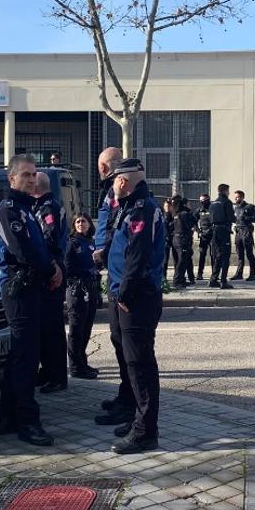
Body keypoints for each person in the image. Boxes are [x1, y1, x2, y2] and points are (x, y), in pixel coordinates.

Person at [0, 154, 60, 447]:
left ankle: (8, 416)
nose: (31, 179)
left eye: (34, 175)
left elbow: (40, 247)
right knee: (26, 358)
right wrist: (51, 269)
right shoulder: (8, 210)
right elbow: (22, 250)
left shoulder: (26, 208)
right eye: (26, 175)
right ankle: (28, 423)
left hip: (34, 286)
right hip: (19, 288)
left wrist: (53, 267)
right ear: (12, 178)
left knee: (21, 355)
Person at [103, 159, 166, 454]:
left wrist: (124, 295)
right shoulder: (129, 207)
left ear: (123, 181)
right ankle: (135, 417)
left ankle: (145, 431)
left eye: (114, 180)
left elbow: (137, 258)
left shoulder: (142, 209)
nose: (112, 185)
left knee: (140, 363)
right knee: (130, 359)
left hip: (136, 298)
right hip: (123, 295)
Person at [34, 171, 69, 394]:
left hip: (52, 272)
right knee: (45, 328)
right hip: (50, 270)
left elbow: (49, 238)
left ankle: (56, 376)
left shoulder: (48, 208)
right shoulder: (46, 205)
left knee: (52, 328)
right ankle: (48, 371)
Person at [65, 213, 101, 379]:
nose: (81, 224)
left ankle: (82, 362)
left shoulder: (91, 243)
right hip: (77, 290)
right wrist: (84, 272)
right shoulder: (71, 243)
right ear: (74, 225)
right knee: (76, 330)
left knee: (86, 329)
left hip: (91, 288)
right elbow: (67, 267)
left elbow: (97, 266)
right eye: (78, 222)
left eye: (83, 221)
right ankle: (75, 367)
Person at [92, 147, 123, 267]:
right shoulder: (120, 187)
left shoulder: (114, 190)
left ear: (102, 167)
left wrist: (104, 250)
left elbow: (115, 221)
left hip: (112, 250)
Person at [208, 183, 236, 288]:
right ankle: (224, 281)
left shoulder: (213, 203)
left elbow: (210, 217)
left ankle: (213, 279)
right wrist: (236, 219)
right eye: (228, 191)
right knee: (225, 256)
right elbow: (231, 217)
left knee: (218, 256)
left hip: (214, 231)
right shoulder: (227, 202)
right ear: (225, 191)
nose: (229, 193)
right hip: (224, 231)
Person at [230, 190, 255, 281]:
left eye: (238, 197)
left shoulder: (249, 207)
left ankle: (252, 274)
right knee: (239, 254)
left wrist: (247, 218)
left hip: (246, 231)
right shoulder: (235, 208)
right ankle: (239, 274)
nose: (236, 198)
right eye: (235, 197)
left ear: (242, 197)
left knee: (249, 254)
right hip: (238, 231)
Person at [170, 196, 196, 287]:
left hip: (176, 239)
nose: (190, 205)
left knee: (181, 260)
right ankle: (177, 280)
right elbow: (191, 223)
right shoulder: (184, 214)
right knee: (181, 261)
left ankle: (181, 279)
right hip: (182, 239)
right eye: (188, 203)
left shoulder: (176, 214)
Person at [195, 194, 213, 281]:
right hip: (203, 235)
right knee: (202, 254)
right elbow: (193, 221)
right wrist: (198, 231)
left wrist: (211, 229)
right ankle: (199, 273)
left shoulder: (212, 209)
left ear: (208, 200)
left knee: (213, 254)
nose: (202, 202)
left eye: (204, 200)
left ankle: (214, 274)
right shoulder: (199, 210)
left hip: (212, 234)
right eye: (201, 201)